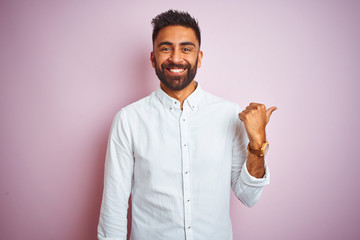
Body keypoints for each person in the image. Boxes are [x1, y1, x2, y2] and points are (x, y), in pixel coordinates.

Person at [98, 9, 277, 240]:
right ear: (153, 58)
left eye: (186, 48)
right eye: (165, 48)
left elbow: (248, 196)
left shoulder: (230, 113)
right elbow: (114, 206)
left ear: (199, 58)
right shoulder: (128, 120)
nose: (175, 58)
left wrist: (257, 144)